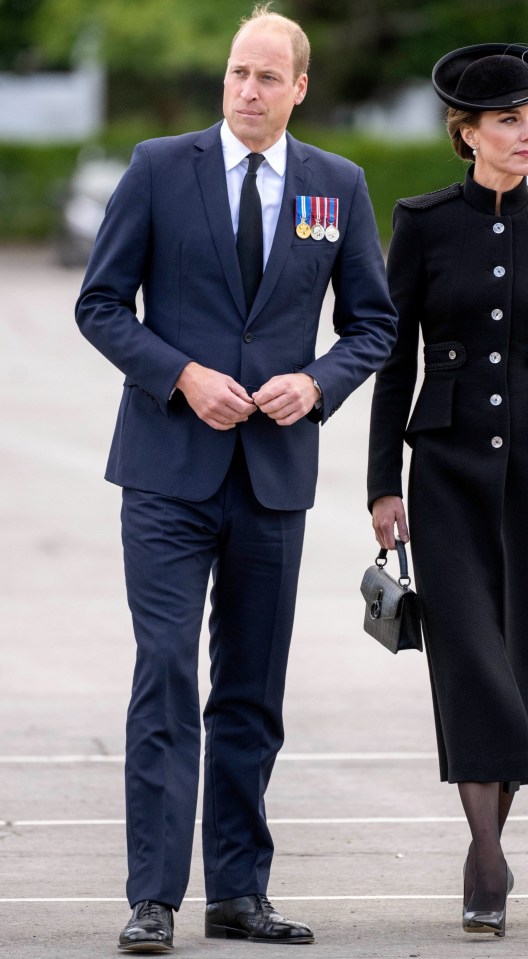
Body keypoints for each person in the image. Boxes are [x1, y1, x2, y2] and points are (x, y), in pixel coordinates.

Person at [76, 4, 396, 952]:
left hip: (272, 477)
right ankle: (153, 898)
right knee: (166, 672)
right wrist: (178, 373)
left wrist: (318, 381)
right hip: (168, 471)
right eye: (236, 73)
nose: (247, 90)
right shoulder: (156, 168)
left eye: (267, 77)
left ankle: (238, 893)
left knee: (251, 689)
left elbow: (372, 323)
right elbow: (100, 303)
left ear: (300, 88)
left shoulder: (336, 185)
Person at [367, 43, 528, 937]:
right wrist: (379, 484)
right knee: (469, 659)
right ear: (466, 134)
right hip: (445, 474)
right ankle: (488, 858)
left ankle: (483, 847)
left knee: (524, 667)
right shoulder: (422, 221)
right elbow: (393, 359)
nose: (527, 134)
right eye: (508, 120)